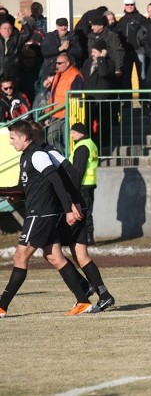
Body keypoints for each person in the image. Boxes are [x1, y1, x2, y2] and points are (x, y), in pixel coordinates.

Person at [0, 120, 94, 318]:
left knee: (20, 257)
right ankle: (83, 300)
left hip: (40, 215)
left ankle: (2, 306)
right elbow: (28, 188)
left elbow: (56, 181)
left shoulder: (38, 155)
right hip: (40, 214)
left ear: (24, 137)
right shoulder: (26, 156)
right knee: (54, 257)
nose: (10, 142)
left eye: (12, 138)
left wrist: (69, 208)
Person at [64, 122, 115, 310]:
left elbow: (77, 172)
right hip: (88, 187)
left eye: (73, 132)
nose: (71, 135)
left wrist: (71, 196)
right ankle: (93, 286)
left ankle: (92, 286)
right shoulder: (90, 144)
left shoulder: (83, 146)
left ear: (80, 133)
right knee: (82, 233)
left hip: (82, 190)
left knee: (78, 239)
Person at [47, 53, 84, 153]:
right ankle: (62, 160)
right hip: (55, 114)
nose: (56, 65)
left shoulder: (75, 75)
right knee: (52, 138)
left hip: (67, 114)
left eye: (59, 63)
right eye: (56, 63)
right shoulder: (58, 75)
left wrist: (72, 114)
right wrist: (48, 114)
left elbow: (77, 97)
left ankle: (67, 162)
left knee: (67, 141)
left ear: (67, 63)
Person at [115, 0, 148, 91]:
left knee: (142, 77)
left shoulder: (141, 18)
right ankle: (127, 103)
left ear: (135, 5)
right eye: (127, 5)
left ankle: (144, 102)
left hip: (139, 51)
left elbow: (147, 34)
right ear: (124, 6)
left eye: (131, 4)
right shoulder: (122, 20)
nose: (129, 6)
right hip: (126, 52)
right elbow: (117, 35)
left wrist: (141, 42)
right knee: (126, 77)